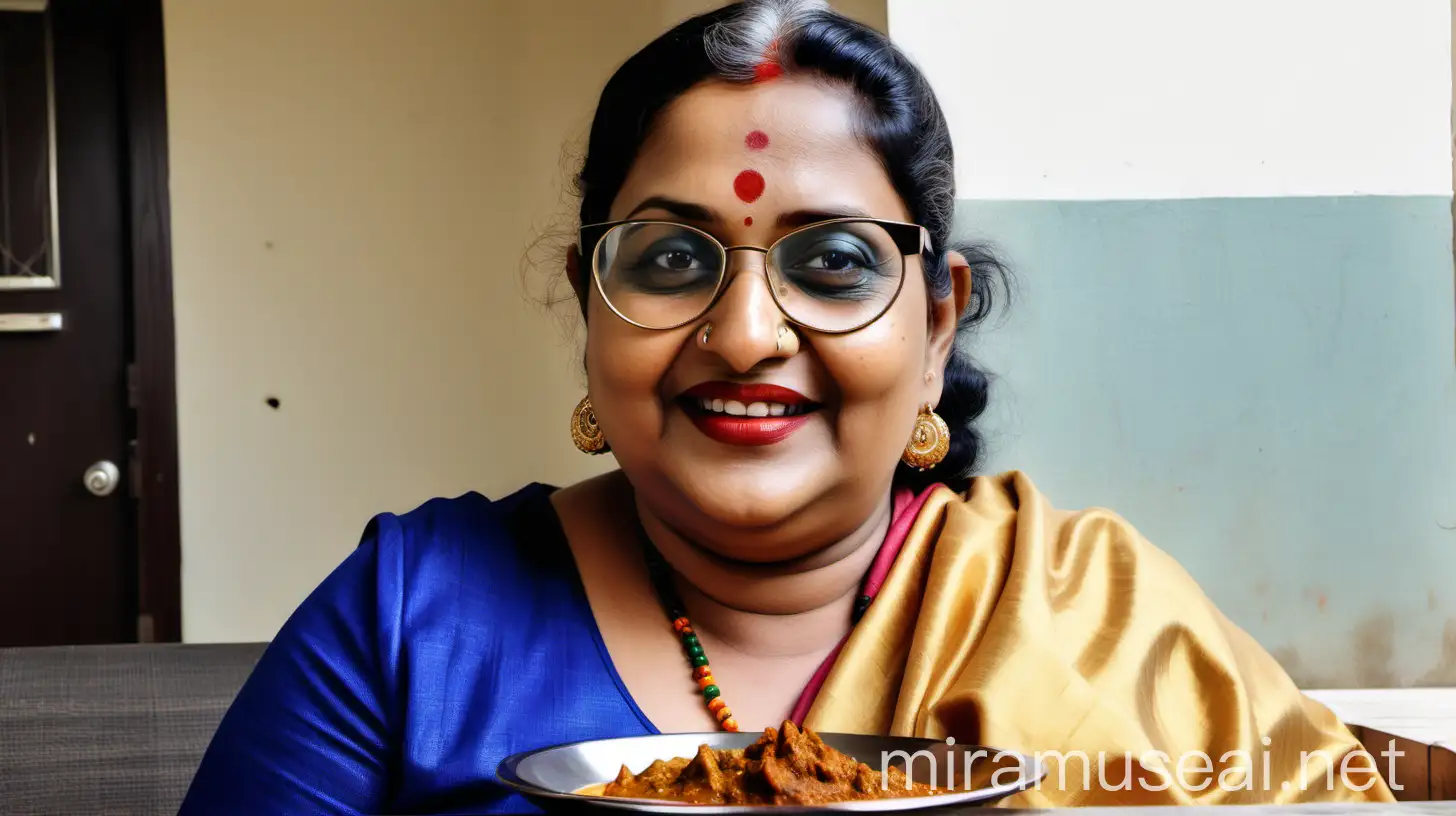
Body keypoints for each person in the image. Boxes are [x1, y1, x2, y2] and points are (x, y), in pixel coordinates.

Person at [179, 1, 1394, 812]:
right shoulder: (411, 621)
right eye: (667, 261)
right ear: (587, 306)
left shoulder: (1095, 622)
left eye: (833, 263)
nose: (747, 335)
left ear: (934, 323)